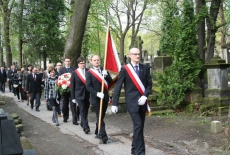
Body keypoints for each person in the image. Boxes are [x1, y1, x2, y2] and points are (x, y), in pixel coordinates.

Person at [112, 48, 152, 155]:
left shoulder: (145, 68)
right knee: (138, 124)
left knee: (139, 127)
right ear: (130, 55)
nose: (137, 56)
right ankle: (140, 152)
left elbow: (149, 85)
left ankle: (134, 149)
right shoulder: (125, 69)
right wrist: (115, 103)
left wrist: (145, 96)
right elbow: (118, 86)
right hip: (132, 103)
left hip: (143, 103)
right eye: (135, 54)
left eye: (138, 54)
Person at [86, 55, 113, 144]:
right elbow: (88, 86)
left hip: (105, 97)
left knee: (101, 116)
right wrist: (97, 93)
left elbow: (111, 82)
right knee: (100, 116)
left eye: (98, 60)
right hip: (95, 98)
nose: (97, 61)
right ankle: (104, 136)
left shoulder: (104, 70)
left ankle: (97, 131)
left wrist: (106, 76)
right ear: (91, 61)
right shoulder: (89, 72)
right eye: (95, 60)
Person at [71, 57, 90, 134]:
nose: (83, 64)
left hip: (87, 94)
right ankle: (86, 127)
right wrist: (73, 97)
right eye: (81, 63)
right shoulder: (75, 73)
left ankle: (83, 122)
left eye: (84, 63)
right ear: (78, 64)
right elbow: (73, 86)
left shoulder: (88, 71)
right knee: (82, 110)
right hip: (79, 95)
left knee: (86, 110)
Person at [59, 58, 77, 124]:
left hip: (72, 89)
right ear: (64, 62)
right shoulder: (61, 70)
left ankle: (74, 119)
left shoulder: (74, 69)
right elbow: (60, 78)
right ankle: (65, 117)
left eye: (69, 61)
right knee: (65, 104)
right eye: (66, 61)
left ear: (70, 62)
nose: (67, 62)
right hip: (65, 90)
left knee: (73, 104)